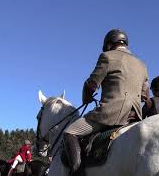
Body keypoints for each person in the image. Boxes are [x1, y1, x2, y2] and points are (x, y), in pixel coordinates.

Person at [63, 28, 149, 175]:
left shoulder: (107, 57)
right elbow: (144, 95)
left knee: (69, 132)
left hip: (111, 113)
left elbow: (92, 84)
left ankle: (75, 171)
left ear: (109, 44)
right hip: (135, 115)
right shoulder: (142, 65)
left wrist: (87, 97)